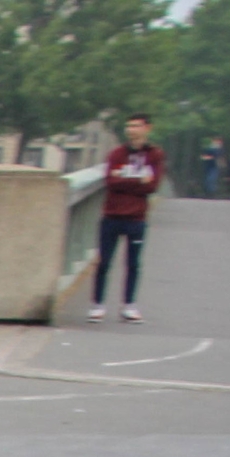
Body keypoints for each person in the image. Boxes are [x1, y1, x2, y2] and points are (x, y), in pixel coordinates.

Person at [91, 113, 163, 323]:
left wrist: (125, 176)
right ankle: (97, 304)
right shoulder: (117, 153)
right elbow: (111, 181)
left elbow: (153, 185)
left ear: (147, 128)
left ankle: (129, 305)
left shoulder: (155, 155)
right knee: (104, 261)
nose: (131, 130)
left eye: (136, 126)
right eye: (129, 126)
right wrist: (138, 179)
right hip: (112, 215)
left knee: (133, 263)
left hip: (137, 217)